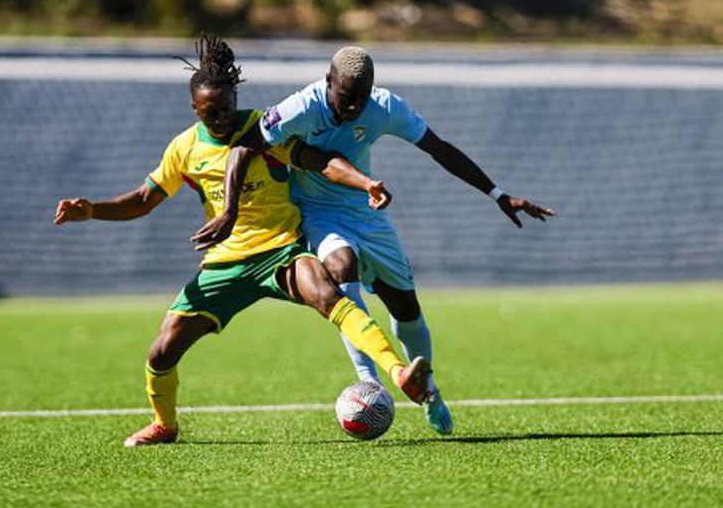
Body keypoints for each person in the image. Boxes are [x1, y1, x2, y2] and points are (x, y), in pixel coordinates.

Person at [53, 35, 432, 446]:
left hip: (282, 251)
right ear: (194, 108)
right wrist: (92, 210)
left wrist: (364, 182)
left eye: (226, 108)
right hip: (226, 263)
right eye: (209, 112)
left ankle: (399, 374)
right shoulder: (184, 148)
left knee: (330, 295)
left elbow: (318, 161)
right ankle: (164, 424)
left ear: (236, 97)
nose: (220, 118)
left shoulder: (264, 129)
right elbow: (144, 201)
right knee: (161, 351)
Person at [196, 46, 555, 436]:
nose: (353, 107)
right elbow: (244, 145)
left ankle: (430, 393)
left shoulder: (385, 107)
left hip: (366, 214)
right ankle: (369, 381)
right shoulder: (301, 106)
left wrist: (498, 194)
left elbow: (438, 149)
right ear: (328, 82)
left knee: (406, 308)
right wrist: (229, 211)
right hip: (316, 212)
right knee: (341, 265)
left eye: (361, 99)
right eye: (346, 97)